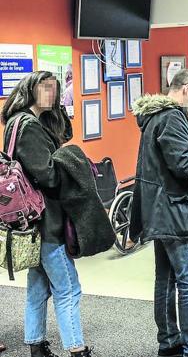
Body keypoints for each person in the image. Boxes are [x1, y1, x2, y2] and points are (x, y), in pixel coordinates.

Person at [130, 68, 188, 357]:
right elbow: (183, 165)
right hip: (175, 212)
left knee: (166, 279)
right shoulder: (173, 117)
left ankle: (169, 341)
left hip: (160, 210)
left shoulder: (154, 117)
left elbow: (172, 160)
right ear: (186, 89)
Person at [1, 71, 91, 357]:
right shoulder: (28, 126)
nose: (52, 94)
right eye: (46, 88)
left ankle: (36, 345)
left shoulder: (17, 123)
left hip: (31, 221)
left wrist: (60, 108)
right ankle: (77, 349)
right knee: (68, 289)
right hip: (47, 220)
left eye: (55, 88)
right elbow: (48, 175)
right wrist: (70, 164)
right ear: (30, 90)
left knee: (38, 287)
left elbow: (65, 134)